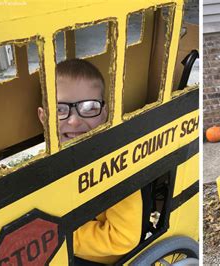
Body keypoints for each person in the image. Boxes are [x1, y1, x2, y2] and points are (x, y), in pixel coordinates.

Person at [37, 59, 142, 264]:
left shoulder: (116, 164)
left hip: (95, 257)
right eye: (60, 109)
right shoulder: (46, 156)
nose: (74, 120)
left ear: (104, 113)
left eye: (89, 107)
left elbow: (123, 238)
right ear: (43, 116)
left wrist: (59, 236)